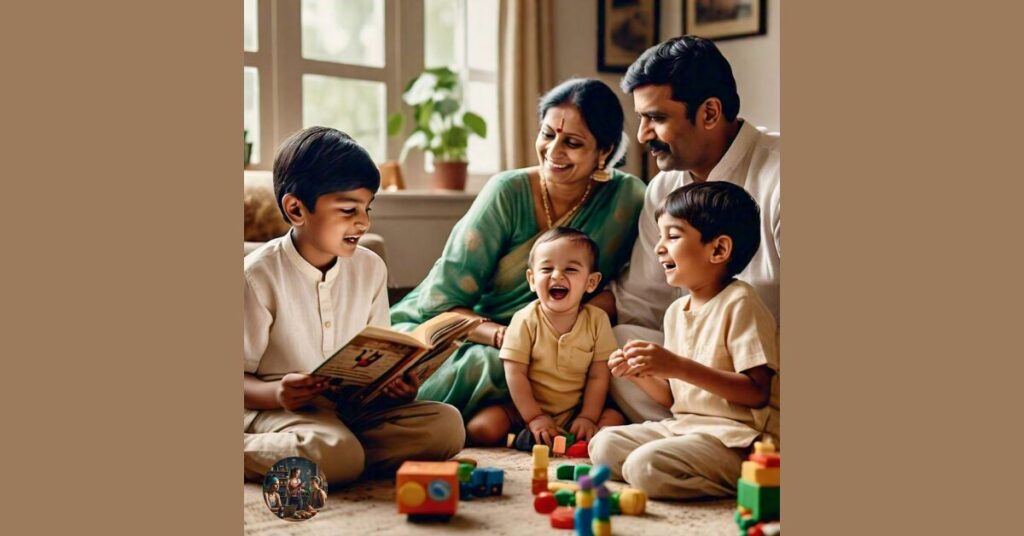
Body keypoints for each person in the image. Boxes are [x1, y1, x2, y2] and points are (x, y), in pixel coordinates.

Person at [391, 79, 647, 420]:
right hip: (469, 331)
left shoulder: (627, 200)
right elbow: (442, 302)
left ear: (604, 152)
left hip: (562, 331)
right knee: (501, 367)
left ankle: (511, 414)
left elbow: (633, 285)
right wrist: (506, 336)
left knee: (571, 361)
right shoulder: (506, 192)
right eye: (547, 134)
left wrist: (575, 324)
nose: (553, 151)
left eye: (572, 142)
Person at [243, 127, 465, 484]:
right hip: (276, 410)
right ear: (296, 209)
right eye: (348, 209)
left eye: (367, 208)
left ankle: (342, 457)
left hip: (347, 412)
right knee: (337, 453)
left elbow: (378, 353)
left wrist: (400, 386)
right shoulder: (257, 276)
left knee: (447, 427)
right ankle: (330, 455)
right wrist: (278, 393)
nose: (363, 222)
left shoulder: (370, 267)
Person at [593, 35, 781, 424]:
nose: (643, 134)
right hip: (698, 379)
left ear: (710, 113)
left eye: (656, 118)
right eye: (641, 118)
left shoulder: (780, 175)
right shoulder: (663, 188)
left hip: (770, 373)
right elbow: (644, 301)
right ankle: (698, 439)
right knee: (619, 342)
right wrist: (561, 317)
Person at [589, 182, 780, 499]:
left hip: (739, 438)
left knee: (644, 467)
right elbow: (673, 399)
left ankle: (761, 480)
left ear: (718, 250)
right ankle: (673, 468)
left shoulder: (742, 302)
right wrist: (641, 374)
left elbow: (757, 393)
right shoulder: (676, 310)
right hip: (686, 427)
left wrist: (676, 365)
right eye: (660, 236)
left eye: (673, 236)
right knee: (604, 444)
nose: (659, 247)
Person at [466, 228, 623, 446]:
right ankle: (523, 437)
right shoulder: (524, 320)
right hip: (524, 411)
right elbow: (516, 374)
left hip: (575, 412)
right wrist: (534, 417)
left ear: (591, 283)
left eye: (570, 269)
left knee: (615, 422)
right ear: (531, 279)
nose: (557, 275)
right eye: (547, 269)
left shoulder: (597, 320)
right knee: (480, 428)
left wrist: (587, 417)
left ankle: (570, 438)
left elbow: (599, 376)